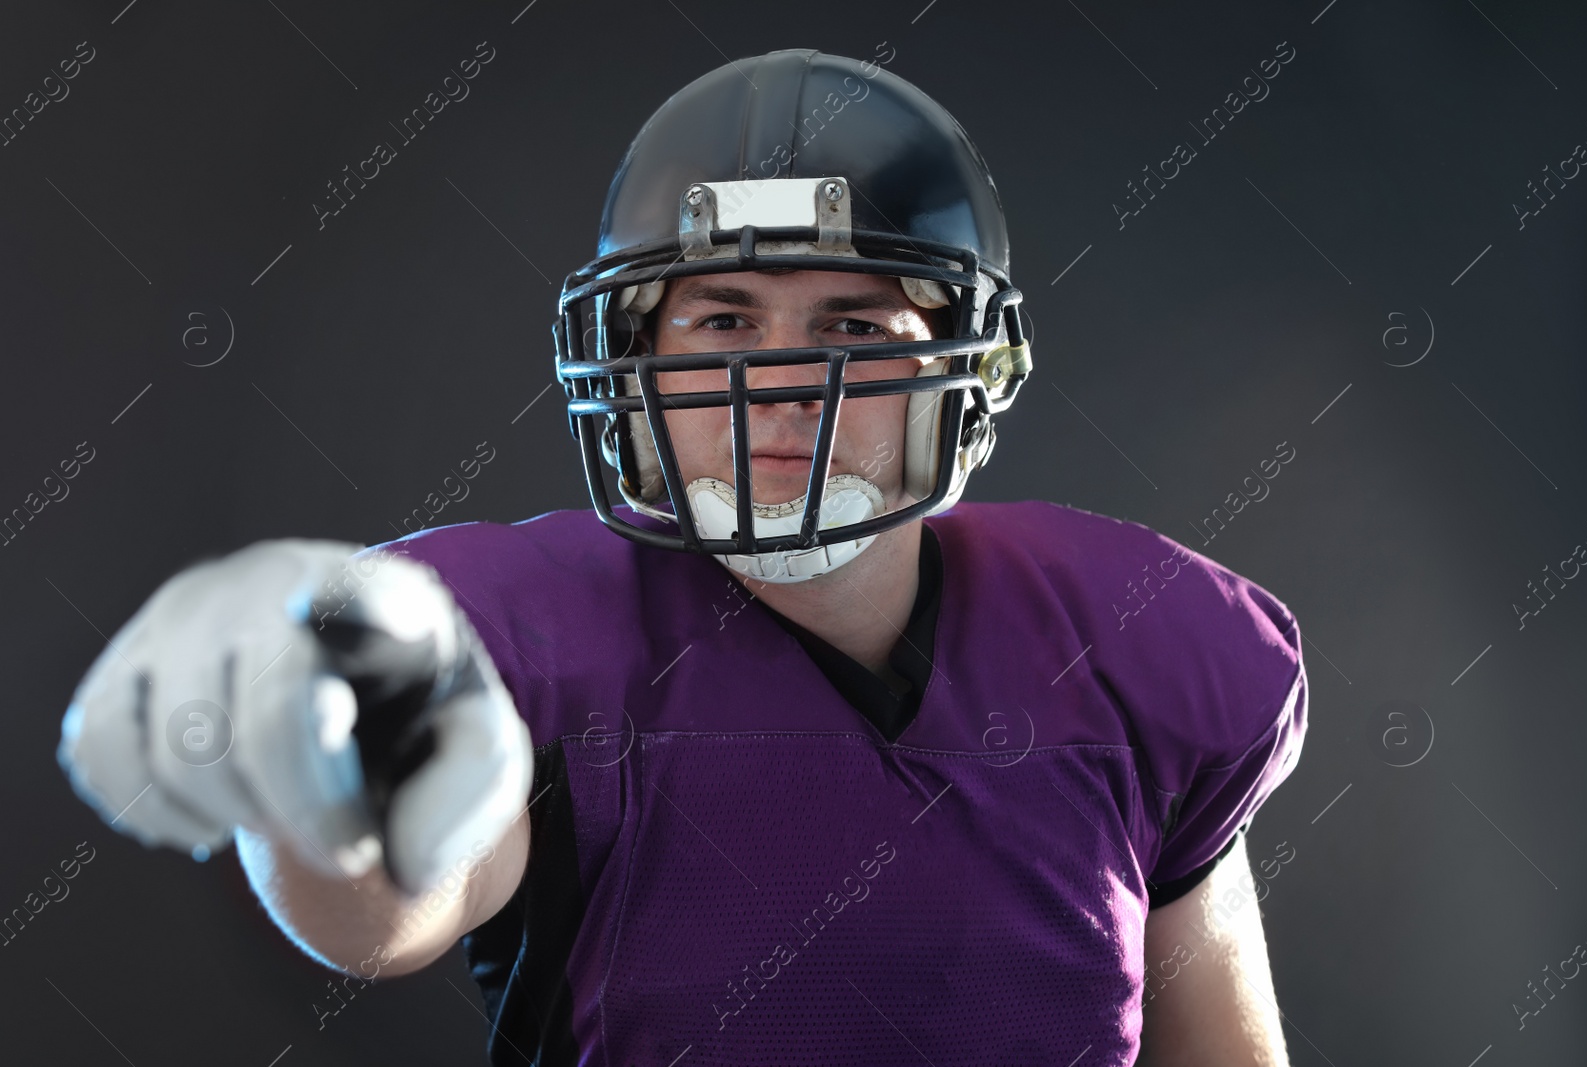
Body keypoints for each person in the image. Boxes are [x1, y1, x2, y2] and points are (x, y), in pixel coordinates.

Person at [58, 48, 1307, 1065]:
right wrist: (321, 768)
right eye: (720, 318)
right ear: (637, 359)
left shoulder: (1134, 642)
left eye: (853, 322)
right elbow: (393, 906)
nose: (777, 384)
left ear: (963, 368)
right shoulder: (519, 635)